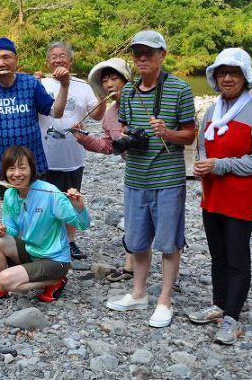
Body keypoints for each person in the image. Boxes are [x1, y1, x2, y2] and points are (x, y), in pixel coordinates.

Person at [0, 37, 70, 283]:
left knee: (38, 213)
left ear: (16, 60)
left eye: (6, 57)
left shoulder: (31, 84)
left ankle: (38, 256)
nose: (1, 62)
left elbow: (57, 111)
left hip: (31, 163)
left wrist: (64, 85)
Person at [105, 30, 195, 329]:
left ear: (162, 55)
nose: (142, 58)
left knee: (168, 243)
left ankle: (165, 300)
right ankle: (138, 293)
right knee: (137, 241)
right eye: (137, 53)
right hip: (135, 178)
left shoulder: (180, 89)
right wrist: (127, 138)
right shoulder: (129, 92)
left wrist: (167, 133)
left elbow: (190, 135)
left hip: (168, 178)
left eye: (148, 53)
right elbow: (125, 129)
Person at [188, 48, 252, 345]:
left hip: (240, 196)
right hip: (213, 193)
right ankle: (219, 303)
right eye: (222, 73)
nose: (227, 78)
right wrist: (201, 165)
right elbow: (203, 147)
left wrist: (219, 165)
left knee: (237, 257)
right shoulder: (212, 111)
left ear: (245, 77)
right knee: (218, 254)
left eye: (234, 73)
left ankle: (232, 318)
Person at [0, 146, 90, 305]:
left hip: (55, 260)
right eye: (11, 169)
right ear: (5, 172)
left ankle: (56, 280)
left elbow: (83, 225)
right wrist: (2, 229)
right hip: (32, 251)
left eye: (22, 168)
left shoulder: (51, 193)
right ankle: (1, 289)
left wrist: (79, 207)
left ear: (32, 169)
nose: (17, 174)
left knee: (6, 279)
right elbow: (12, 230)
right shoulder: (10, 194)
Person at [38, 42, 104, 261]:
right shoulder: (41, 84)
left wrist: (103, 96)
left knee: (71, 199)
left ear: (71, 60)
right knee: (47, 202)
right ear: (48, 62)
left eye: (62, 56)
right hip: (46, 157)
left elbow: (97, 116)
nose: (58, 60)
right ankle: (48, 242)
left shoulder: (83, 86)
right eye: (53, 56)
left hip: (74, 156)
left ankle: (70, 241)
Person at [72, 58, 134, 282]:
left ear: (127, 80)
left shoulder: (143, 103)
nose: (109, 84)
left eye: (114, 78)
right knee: (134, 219)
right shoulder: (110, 114)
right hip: (133, 172)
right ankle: (130, 267)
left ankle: (170, 275)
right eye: (105, 81)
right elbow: (108, 146)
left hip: (159, 172)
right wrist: (82, 138)